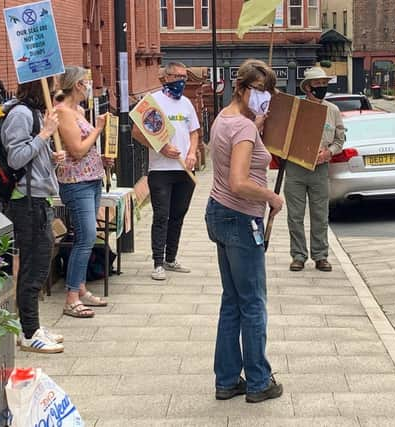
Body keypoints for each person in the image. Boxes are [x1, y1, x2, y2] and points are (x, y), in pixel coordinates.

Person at [205, 59, 284, 403]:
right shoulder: (244, 130)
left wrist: (257, 124)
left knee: (232, 301)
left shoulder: (225, 119)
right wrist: (271, 197)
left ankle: (226, 379)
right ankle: (258, 381)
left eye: (268, 94)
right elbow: (239, 182)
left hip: (219, 213)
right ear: (242, 89)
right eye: (260, 92)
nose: (264, 99)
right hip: (240, 217)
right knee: (252, 302)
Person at [2, 78, 66, 353]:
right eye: (51, 88)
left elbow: (32, 156)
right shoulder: (20, 114)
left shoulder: (33, 114)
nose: (54, 94)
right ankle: (29, 333)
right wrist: (45, 134)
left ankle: (32, 325)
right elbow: (16, 158)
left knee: (38, 265)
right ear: (37, 88)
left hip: (38, 198)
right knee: (33, 268)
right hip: (26, 201)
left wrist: (50, 158)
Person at [132, 62, 199, 281]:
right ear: (166, 77)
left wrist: (192, 154)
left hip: (184, 170)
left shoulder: (187, 104)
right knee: (162, 215)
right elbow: (137, 132)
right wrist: (160, 147)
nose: (181, 80)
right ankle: (157, 262)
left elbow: (194, 132)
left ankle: (171, 258)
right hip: (161, 169)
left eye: (184, 77)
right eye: (177, 76)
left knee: (178, 215)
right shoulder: (152, 102)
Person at [55, 66, 110, 318]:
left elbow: (85, 149)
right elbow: (76, 149)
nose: (90, 86)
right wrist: (98, 129)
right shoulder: (64, 112)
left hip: (92, 178)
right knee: (86, 237)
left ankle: (80, 287)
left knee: (88, 237)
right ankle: (71, 297)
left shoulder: (79, 110)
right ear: (77, 85)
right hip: (76, 182)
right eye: (87, 82)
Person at [285, 67, 345, 272]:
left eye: (324, 84)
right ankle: (298, 255)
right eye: (318, 84)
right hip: (296, 168)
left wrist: (328, 153)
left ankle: (320, 255)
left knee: (320, 214)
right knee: (295, 215)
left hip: (320, 169)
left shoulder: (333, 110)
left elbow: (340, 140)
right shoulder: (297, 108)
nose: (322, 87)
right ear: (308, 87)